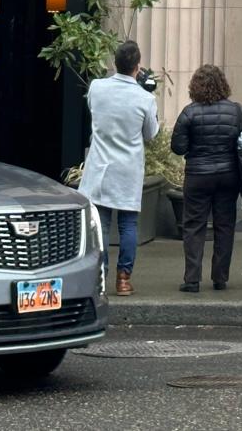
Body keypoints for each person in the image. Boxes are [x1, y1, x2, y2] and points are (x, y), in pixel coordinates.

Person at [79, 40, 159, 297]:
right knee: (128, 225)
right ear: (137, 67)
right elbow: (150, 134)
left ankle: (99, 277)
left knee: (100, 226)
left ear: (115, 63)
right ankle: (123, 279)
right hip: (128, 170)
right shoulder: (144, 98)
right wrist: (148, 90)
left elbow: (93, 111)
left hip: (101, 167)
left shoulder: (97, 88)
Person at [170, 64, 242, 293]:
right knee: (225, 225)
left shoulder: (189, 112)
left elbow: (178, 147)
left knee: (193, 226)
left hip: (198, 175)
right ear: (223, 85)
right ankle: (220, 277)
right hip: (228, 175)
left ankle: (192, 279)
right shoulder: (236, 111)